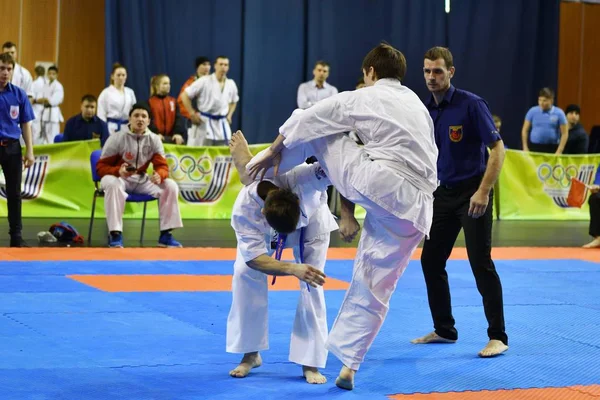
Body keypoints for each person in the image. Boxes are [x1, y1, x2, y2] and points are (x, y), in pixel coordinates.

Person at [246, 43, 438, 390]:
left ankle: (260, 171)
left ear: (370, 72)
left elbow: (308, 117)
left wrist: (273, 150)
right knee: (376, 286)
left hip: (383, 185)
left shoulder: (365, 96)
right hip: (419, 210)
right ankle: (349, 365)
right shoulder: (418, 105)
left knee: (319, 126)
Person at [226, 131, 348, 384]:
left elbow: (341, 171)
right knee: (243, 273)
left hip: (311, 221)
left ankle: (310, 362)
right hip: (268, 221)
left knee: (313, 282)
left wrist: (347, 214)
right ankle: (250, 354)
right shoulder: (245, 211)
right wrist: (292, 268)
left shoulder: (305, 178)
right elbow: (254, 259)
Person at [411, 46, 508, 358]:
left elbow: (498, 149)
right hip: (443, 193)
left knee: (480, 262)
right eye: (427, 71)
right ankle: (444, 329)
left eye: (437, 71)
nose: (431, 77)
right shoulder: (425, 109)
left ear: (450, 72)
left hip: (472, 192)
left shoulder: (470, 104)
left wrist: (483, 191)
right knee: (430, 260)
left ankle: (498, 336)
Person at [96, 103, 183, 248]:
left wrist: (159, 175)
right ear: (129, 119)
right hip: (118, 178)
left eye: (144, 116)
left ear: (149, 121)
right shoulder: (117, 138)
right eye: (136, 115)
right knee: (112, 184)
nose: (140, 119)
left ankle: (166, 235)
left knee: (170, 185)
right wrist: (119, 171)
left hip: (141, 179)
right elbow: (100, 167)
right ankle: (115, 234)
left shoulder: (154, 139)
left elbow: (162, 166)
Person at [0, 52, 35, 247]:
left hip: (12, 148)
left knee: (14, 193)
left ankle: (16, 236)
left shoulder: (19, 94)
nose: (5, 73)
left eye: (8, 69)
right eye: (1, 68)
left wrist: (29, 150)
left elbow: (25, 124)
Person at [180, 56, 239, 146]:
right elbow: (184, 95)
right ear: (215, 66)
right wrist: (192, 113)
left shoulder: (231, 83)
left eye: (226, 65)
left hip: (222, 124)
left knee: (222, 155)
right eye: (221, 64)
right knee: (201, 155)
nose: (223, 67)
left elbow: (234, 100)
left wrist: (229, 115)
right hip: (204, 122)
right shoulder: (204, 81)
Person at [521, 88, 568, 154]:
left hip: (552, 148)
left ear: (551, 100)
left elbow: (565, 133)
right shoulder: (532, 111)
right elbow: (525, 130)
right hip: (535, 147)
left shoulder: (559, 113)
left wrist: (559, 151)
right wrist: (525, 147)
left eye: (544, 101)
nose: (541, 103)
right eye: (539, 100)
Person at [97, 63, 137, 136]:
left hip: (127, 127)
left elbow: (134, 110)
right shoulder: (106, 93)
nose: (121, 77)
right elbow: (101, 114)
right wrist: (104, 130)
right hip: (111, 128)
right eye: (118, 75)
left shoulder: (130, 92)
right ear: (112, 76)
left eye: (123, 75)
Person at [148, 74, 187, 144]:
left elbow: (179, 119)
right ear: (157, 86)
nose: (168, 85)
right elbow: (149, 121)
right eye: (165, 83)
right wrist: (155, 133)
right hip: (156, 138)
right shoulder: (149, 102)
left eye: (169, 83)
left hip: (172, 138)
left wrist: (177, 133)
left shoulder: (173, 101)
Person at [34, 65, 63, 144]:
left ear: (57, 75)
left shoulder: (58, 86)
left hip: (53, 114)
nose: (51, 75)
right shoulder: (46, 85)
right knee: (44, 136)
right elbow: (41, 98)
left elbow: (52, 101)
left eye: (53, 74)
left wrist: (42, 100)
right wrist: (42, 100)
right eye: (49, 73)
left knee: (52, 136)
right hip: (45, 113)